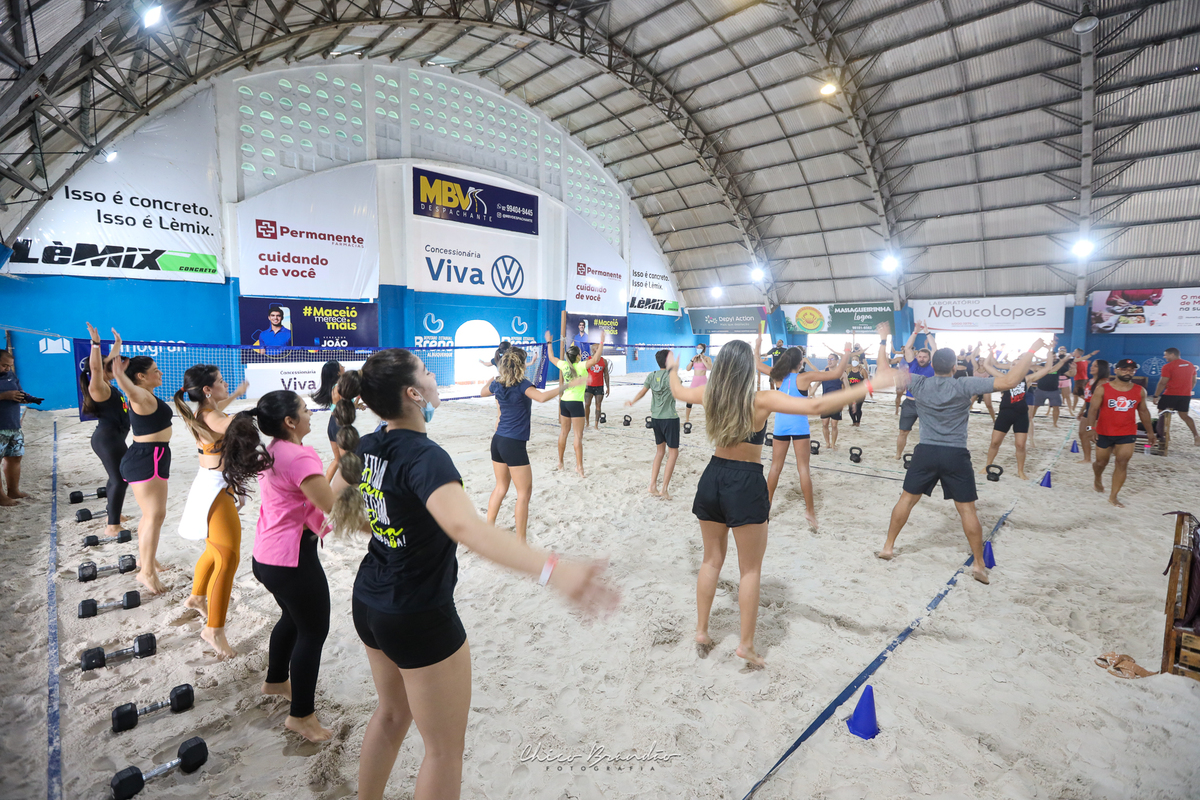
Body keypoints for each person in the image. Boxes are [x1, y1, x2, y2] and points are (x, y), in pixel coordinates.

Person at [324, 350, 618, 800]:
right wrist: (554, 571)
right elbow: (467, 529)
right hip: (417, 612)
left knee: (390, 715)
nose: (433, 376)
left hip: (369, 600)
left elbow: (331, 499)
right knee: (443, 752)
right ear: (413, 393)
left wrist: (382, 527)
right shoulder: (427, 458)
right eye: (426, 371)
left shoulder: (368, 444)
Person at [668, 334, 903, 667]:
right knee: (750, 570)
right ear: (747, 370)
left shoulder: (709, 394)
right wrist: (871, 384)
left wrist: (672, 368)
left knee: (710, 561)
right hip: (745, 482)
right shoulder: (761, 400)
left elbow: (678, 391)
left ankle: (702, 630)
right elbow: (816, 407)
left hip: (712, 477)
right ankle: (745, 645)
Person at [222, 390, 337, 742]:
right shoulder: (298, 456)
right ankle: (301, 716)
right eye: (304, 409)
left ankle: (275, 681)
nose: (310, 413)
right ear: (290, 421)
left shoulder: (272, 450)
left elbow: (308, 498)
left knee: (293, 618)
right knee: (313, 632)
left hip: (267, 557)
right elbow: (331, 503)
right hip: (291, 560)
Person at [878, 343, 1042, 583]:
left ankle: (888, 547)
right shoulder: (964, 384)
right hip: (955, 453)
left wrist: (883, 341)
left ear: (932, 365)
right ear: (954, 368)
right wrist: (1031, 351)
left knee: (906, 500)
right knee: (967, 510)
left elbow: (883, 370)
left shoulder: (919, 382)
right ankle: (978, 565)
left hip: (926, 451)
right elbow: (1010, 381)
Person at [174, 365, 249, 658]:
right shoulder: (213, 417)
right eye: (220, 381)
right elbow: (234, 425)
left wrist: (236, 395)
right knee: (228, 558)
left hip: (213, 483)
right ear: (207, 389)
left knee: (213, 549)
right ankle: (214, 629)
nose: (225, 383)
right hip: (215, 491)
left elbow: (219, 410)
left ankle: (196, 597)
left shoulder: (205, 411)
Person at [480, 347, 584, 542]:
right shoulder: (522, 385)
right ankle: (521, 542)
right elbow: (542, 397)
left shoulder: (498, 383)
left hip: (498, 441)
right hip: (513, 444)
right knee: (523, 493)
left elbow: (482, 392)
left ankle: (488, 530)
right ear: (521, 365)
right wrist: (566, 386)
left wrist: (493, 379)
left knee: (500, 487)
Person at [764, 339, 859, 529]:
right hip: (799, 427)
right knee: (803, 469)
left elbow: (757, 364)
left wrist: (758, 345)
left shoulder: (777, 376)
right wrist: (847, 351)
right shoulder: (804, 377)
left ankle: (765, 510)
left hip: (781, 426)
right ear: (801, 362)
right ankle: (810, 512)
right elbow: (837, 373)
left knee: (775, 468)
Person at [109, 330, 172, 595]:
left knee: (151, 515)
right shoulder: (141, 396)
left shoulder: (147, 394)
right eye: (155, 371)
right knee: (155, 515)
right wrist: (120, 375)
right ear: (141, 376)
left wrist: (117, 350)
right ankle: (146, 572)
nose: (160, 373)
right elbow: (129, 390)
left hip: (149, 456)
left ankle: (148, 560)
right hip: (148, 458)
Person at [979, 344, 1069, 480]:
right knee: (995, 442)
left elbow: (1047, 369)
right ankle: (987, 466)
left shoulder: (1027, 379)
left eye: (1018, 364)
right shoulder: (1003, 378)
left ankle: (1020, 471)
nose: (1015, 366)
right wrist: (992, 350)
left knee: (1020, 445)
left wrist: (1049, 352)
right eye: (1013, 364)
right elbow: (987, 365)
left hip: (1021, 415)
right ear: (1010, 367)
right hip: (1005, 413)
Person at [78, 322, 129, 527]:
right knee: (120, 480)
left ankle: (113, 512)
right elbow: (97, 367)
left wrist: (117, 344)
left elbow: (106, 363)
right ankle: (112, 525)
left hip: (113, 438)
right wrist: (95, 344)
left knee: (116, 477)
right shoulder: (98, 387)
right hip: (108, 440)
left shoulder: (107, 384)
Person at [1086, 359, 1156, 507]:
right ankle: (1097, 478)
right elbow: (1092, 410)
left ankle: (1113, 496)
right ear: (1116, 370)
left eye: (1131, 370)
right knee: (1101, 462)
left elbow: (1143, 411)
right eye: (1124, 369)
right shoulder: (1103, 389)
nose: (1128, 372)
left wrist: (1150, 432)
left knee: (1122, 462)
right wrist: (1091, 428)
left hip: (1127, 432)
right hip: (1104, 431)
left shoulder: (1140, 390)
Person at [551, 311, 606, 477]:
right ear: (577, 356)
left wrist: (548, 343)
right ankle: (579, 467)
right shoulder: (581, 366)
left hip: (564, 402)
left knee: (563, 433)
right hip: (575, 404)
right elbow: (596, 359)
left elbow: (552, 357)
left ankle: (560, 463)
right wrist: (602, 342)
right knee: (578, 436)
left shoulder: (564, 365)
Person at [625, 350, 681, 500]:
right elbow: (680, 392)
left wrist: (632, 401)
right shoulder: (673, 376)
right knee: (673, 453)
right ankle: (664, 489)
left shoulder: (651, 375)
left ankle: (652, 485)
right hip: (670, 418)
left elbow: (642, 392)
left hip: (655, 418)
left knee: (660, 452)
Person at [897, 322, 936, 459]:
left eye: (924, 357)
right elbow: (907, 347)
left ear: (929, 358)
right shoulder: (912, 363)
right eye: (919, 356)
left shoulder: (932, 366)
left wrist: (927, 332)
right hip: (909, 403)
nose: (921, 358)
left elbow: (934, 348)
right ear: (916, 356)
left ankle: (927, 457)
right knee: (903, 432)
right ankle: (898, 455)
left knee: (929, 433)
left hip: (926, 404)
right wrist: (915, 332)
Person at [0, 348, 33, 506]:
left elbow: (19, 391)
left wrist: (24, 397)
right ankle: (1, 497)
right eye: (4, 365)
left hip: (13, 424)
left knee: (15, 457)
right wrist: (4, 396)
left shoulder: (11, 375)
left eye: (9, 366)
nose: (7, 368)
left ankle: (13, 490)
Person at [1152, 347, 1199, 446]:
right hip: (1185, 395)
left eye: (1166, 355)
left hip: (1170, 394)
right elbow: (1194, 381)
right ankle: (1196, 436)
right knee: (1184, 416)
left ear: (1172, 354)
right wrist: (1187, 390)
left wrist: (1156, 395)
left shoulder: (1168, 366)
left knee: (1162, 414)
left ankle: (1165, 436)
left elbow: (1162, 383)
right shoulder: (1190, 365)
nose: (1164, 357)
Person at [1027, 341, 1065, 438]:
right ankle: (1030, 420)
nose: (1053, 358)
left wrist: (1073, 369)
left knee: (1056, 407)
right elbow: (1032, 365)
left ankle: (1055, 423)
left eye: (1054, 357)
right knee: (1035, 406)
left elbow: (1070, 373)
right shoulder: (1041, 366)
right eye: (1051, 357)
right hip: (1041, 389)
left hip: (1054, 390)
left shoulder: (1057, 367)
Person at [1076, 359, 1110, 463]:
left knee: (1093, 435)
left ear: (1102, 368)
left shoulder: (1103, 382)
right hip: (1088, 409)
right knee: (1082, 434)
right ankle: (1087, 458)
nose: (1092, 367)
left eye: (1095, 366)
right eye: (1092, 365)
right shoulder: (1090, 381)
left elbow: (1101, 401)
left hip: (1097, 411)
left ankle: (1104, 456)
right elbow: (1088, 399)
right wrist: (1082, 410)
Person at [818, 354, 847, 450]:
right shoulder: (823, 372)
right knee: (824, 423)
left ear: (837, 361)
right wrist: (810, 394)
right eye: (828, 359)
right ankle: (827, 443)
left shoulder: (842, 373)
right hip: (825, 402)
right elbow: (816, 384)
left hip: (837, 403)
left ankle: (833, 444)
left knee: (834, 424)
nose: (829, 361)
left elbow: (848, 389)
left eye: (832, 359)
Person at [583, 345, 610, 431]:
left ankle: (596, 425)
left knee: (598, 405)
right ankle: (587, 422)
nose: (600, 350)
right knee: (587, 404)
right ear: (594, 350)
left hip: (599, 386)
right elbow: (583, 372)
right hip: (589, 386)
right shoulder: (588, 360)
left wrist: (608, 387)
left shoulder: (604, 361)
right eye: (598, 348)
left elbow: (606, 374)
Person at [684, 343, 712, 424]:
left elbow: (710, 368)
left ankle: (709, 419)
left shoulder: (707, 358)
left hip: (703, 382)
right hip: (695, 382)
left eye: (700, 347)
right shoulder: (695, 359)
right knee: (689, 401)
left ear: (703, 349)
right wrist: (692, 360)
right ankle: (687, 419)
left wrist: (703, 359)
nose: (698, 348)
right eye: (698, 347)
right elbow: (688, 369)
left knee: (705, 402)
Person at [1070, 348, 1101, 414]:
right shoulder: (1084, 360)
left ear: (1077, 353)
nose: (1073, 352)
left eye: (1074, 351)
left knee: (1081, 395)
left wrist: (1091, 354)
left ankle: (1092, 403)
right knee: (1075, 395)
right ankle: (1073, 408)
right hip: (1084, 378)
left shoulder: (1077, 360)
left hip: (1079, 379)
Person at [845, 351, 869, 426]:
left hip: (860, 392)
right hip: (850, 392)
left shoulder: (862, 371)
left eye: (856, 360)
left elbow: (866, 381)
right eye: (853, 360)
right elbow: (845, 381)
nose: (854, 361)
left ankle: (858, 422)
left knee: (858, 408)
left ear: (859, 361)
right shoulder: (848, 370)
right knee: (850, 408)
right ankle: (854, 422)